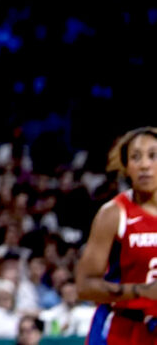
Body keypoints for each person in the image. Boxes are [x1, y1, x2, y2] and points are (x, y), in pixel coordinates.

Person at [75, 126, 157, 344]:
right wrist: (141, 291)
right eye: (135, 158)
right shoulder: (114, 214)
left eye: (153, 156)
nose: (145, 165)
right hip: (122, 328)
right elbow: (84, 287)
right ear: (126, 167)